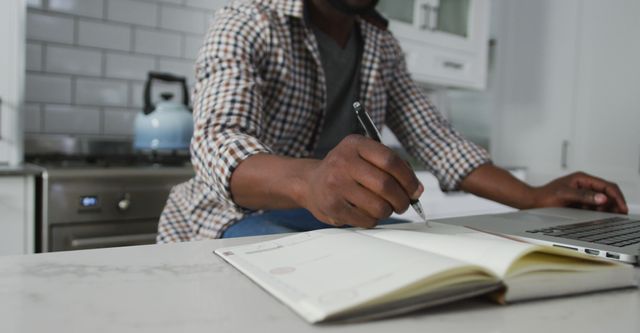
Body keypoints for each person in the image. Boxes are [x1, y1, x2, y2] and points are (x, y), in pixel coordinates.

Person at [157, 0, 628, 242]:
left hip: (338, 223)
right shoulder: (246, 20)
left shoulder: (382, 47)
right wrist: (311, 179)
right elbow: (218, 142)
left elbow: (438, 140)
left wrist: (534, 197)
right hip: (227, 219)